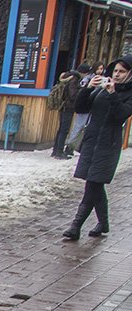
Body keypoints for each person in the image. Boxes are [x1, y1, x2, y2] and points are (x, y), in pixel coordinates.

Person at [62, 57, 132, 240]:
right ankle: (103, 223)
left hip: (109, 144)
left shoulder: (127, 93)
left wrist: (113, 93)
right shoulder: (101, 88)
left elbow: (120, 115)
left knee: (93, 183)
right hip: (91, 141)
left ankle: (75, 226)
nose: (117, 75)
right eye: (115, 71)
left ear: (130, 74)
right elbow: (81, 108)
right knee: (95, 183)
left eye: (122, 72)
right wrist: (88, 88)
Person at [50, 66, 83, 159]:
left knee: (61, 129)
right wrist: (81, 91)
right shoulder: (74, 80)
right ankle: (59, 152)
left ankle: (55, 151)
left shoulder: (67, 77)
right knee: (64, 130)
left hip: (62, 106)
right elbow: (73, 95)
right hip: (68, 107)